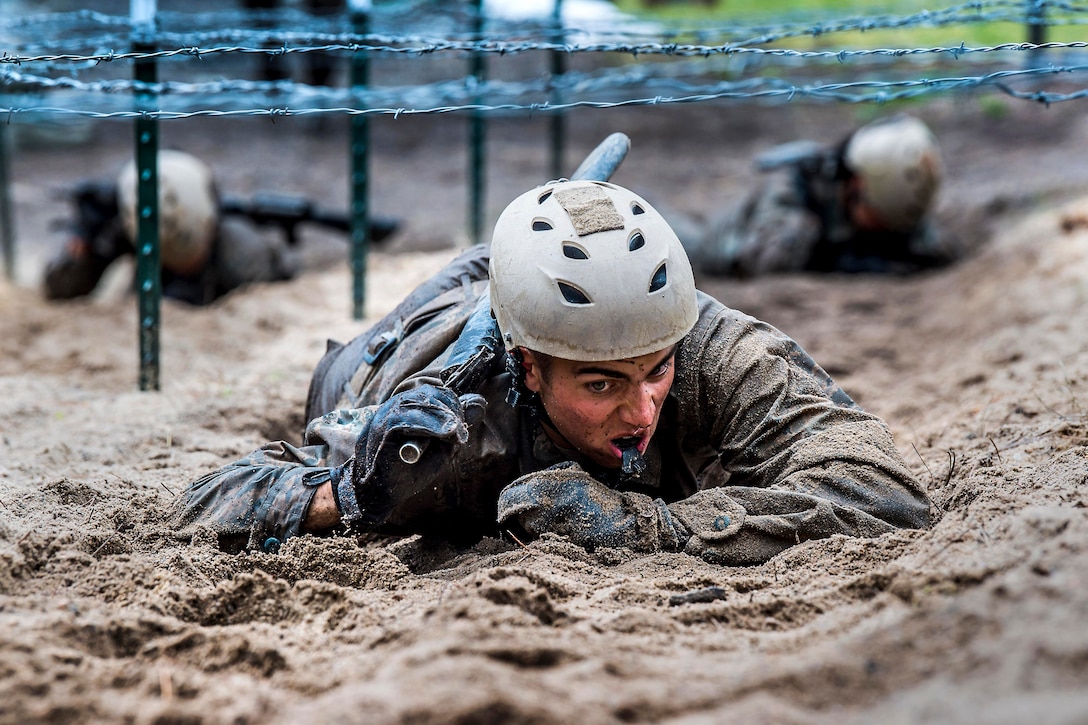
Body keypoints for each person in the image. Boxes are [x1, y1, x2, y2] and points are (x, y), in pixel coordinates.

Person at [172, 178, 932, 566]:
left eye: (656, 371)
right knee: (392, 346)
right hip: (396, 348)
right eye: (601, 383)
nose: (642, 411)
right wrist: (352, 493)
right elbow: (207, 501)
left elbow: (882, 488)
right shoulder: (452, 424)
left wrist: (655, 527)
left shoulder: (705, 342)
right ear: (530, 369)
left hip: (524, 307)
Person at [680, 114, 958, 278]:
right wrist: (844, 261)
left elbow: (934, 248)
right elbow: (764, 260)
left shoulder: (890, 197)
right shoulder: (792, 193)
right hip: (706, 249)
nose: (885, 228)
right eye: (879, 217)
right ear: (856, 186)